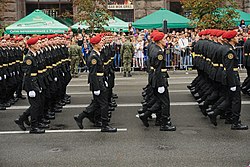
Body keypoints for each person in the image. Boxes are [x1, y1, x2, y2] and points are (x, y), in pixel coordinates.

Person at [74, 35, 117, 132]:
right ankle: (105, 125)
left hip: (100, 80)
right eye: (100, 42)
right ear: (95, 44)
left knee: (97, 103)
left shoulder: (97, 54)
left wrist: (104, 80)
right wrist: (97, 87)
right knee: (104, 104)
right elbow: (93, 74)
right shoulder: (93, 56)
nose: (102, 43)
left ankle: (80, 116)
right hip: (97, 82)